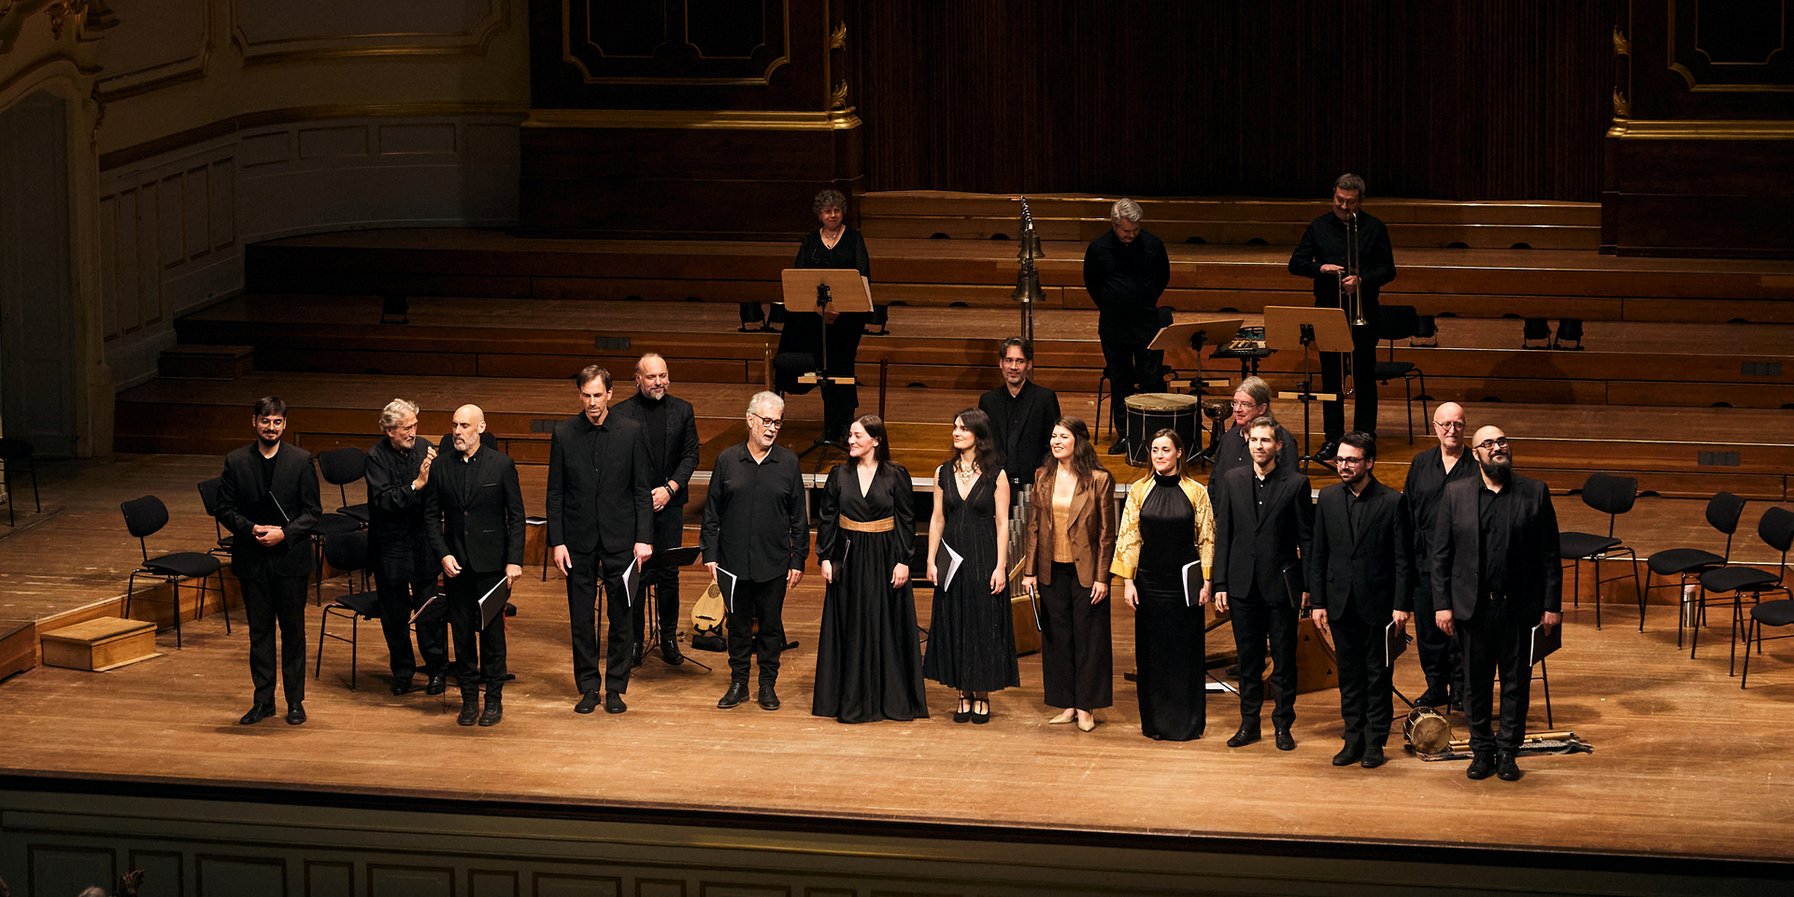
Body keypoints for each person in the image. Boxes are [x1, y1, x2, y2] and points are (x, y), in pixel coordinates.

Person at [1432, 426, 1562, 782]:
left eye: (1501, 441)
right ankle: (1482, 750)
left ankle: (1508, 751)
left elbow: (1550, 554)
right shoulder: (1456, 493)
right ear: (1475, 454)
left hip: (1519, 607)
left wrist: (1552, 605)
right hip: (1472, 608)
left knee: (1515, 683)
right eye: (1487, 444)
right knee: (1474, 684)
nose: (1496, 448)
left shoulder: (1534, 492)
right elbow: (1441, 555)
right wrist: (1442, 604)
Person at [547, 365, 654, 716]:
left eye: (598, 395)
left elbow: (640, 490)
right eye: (586, 395)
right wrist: (557, 541)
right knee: (581, 617)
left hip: (621, 539)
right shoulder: (564, 433)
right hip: (577, 541)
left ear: (610, 394)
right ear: (580, 395)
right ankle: (589, 686)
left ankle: (617, 687)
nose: (592, 402)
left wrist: (643, 538)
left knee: (622, 616)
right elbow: (555, 494)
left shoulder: (631, 432)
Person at [812, 414, 929, 723]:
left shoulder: (895, 475)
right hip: (848, 558)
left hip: (884, 556)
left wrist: (904, 559)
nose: (851, 440)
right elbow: (827, 517)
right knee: (850, 623)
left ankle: (887, 696)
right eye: (850, 435)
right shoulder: (839, 475)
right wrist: (825, 556)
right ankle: (850, 698)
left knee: (885, 623)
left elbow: (906, 519)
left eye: (858, 435)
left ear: (876, 440)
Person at [215, 396, 321, 726]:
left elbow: (313, 513)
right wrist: (251, 529)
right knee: (259, 635)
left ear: (284, 424)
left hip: (289, 560)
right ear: (254, 422)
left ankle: (294, 702)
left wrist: (285, 534)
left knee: (293, 633)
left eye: (277, 422)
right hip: (253, 560)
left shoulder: (301, 460)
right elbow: (224, 508)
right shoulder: (236, 461)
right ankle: (263, 701)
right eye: (265, 421)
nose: (271, 427)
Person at [701, 391, 810, 711]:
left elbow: (798, 518)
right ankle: (738, 683)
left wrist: (798, 557)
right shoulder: (727, 460)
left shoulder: (788, 463)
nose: (772, 428)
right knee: (736, 625)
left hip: (774, 562)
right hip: (732, 563)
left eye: (778, 422)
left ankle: (767, 685)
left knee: (771, 625)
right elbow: (712, 513)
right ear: (750, 420)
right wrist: (709, 553)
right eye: (766, 420)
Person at [1309, 432, 1413, 768]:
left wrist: (1401, 604)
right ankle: (1352, 737)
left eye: (1351, 460)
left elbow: (1402, 559)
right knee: (1349, 675)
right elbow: (1319, 553)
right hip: (1340, 602)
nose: (1343, 466)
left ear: (1369, 462)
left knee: (1378, 675)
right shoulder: (1327, 498)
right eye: (1340, 459)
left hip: (1379, 604)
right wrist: (1318, 602)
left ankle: (1375, 742)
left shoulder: (1392, 501)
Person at [1212, 416, 1313, 751]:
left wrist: (1307, 587)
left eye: (1266, 440)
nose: (1259, 446)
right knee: (1249, 660)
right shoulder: (1232, 479)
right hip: (1242, 585)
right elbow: (1224, 534)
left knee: (1283, 661)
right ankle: (1249, 724)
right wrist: (1220, 583)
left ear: (1278, 446)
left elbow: (1306, 539)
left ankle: (1283, 726)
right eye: (1254, 440)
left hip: (1280, 587)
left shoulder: (1296, 483)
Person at [423, 405, 524, 727]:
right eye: (454, 425)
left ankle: (493, 700)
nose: (457, 431)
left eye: (464, 425)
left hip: (492, 567)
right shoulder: (440, 467)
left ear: (480, 428)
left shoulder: (502, 465)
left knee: (492, 637)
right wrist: (442, 554)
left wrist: (513, 561)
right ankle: (468, 700)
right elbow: (430, 516)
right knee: (463, 636)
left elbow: (517, 517)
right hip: (457, 566)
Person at [1112, 429, 1216, 741]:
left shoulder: (1197, 491)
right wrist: (1128, 582)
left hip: (1184, 585)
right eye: (1155, 450)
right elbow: (1129, 537)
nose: (1159, 455)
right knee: (1153, 652)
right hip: (1149, 583)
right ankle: (1155, 722)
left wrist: (1207, 582)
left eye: (1165, 450)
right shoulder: (1138, 491)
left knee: (1185, 651)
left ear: (1179, 453)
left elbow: (1207, 539)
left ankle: (1187, 722)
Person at [1288, 173, 1397, 460]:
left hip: (1364, 313)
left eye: (1350, 202)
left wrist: (1361, 280)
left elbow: (1389, 269)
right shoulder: (1319, 226)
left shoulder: (1374, 228)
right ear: (1333, 195)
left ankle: (1364, 437)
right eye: (1339, 200)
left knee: (1363, 377)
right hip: (1329, 311)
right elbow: (1295, 263)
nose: (1344, 207)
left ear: (1360, 201)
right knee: (1331, 380)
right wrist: (1320, 268)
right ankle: (1333, 438)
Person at [1018, 417, 1117, 732]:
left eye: (1062, 436)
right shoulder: (1043, 475)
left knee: (1089, 638)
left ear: (1078, 441)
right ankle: (1068, 703)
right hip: (1051, 570)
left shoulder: (1099, 479)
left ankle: (1087, 706)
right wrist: (1029, 571)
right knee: (1057, 638)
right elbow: (1034, 527)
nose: (1055, 441)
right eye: (1053, 435)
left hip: (1086, 572)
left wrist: (1103, 577)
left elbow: (1106, 534)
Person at [922, 408, 1017, 724]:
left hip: (983, 554)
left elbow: (1003, 522)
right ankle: (962, 691)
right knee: (955, 620)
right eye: (954, 427)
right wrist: (931, 559)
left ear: (979, 434)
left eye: (963, 428)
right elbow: (937, 518)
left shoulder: (996, 474)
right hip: (951, 555)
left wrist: (1000, 565)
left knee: (981, 622)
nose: (956, 432)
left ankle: (982, 693)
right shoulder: (942, 472)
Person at [610, 352, 700, 667]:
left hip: (671, 503)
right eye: (651, 377)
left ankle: (668, 638)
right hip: (636, 507)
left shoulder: (683, 410)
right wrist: (642, 496)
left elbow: (691, 456)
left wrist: (669, 489)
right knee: (637, 571)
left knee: (668, 573)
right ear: (638, 379)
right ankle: (635, 641)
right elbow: (618, 462)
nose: (658, 382)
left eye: (662, 375)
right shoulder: (620, 414)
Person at [363, 398, 450, 696]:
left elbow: (436, 492)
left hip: (422, 543)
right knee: (394, 614)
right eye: (406, 428)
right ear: (389, 430)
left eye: (414, 425)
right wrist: (417, 484)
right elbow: (384, 502)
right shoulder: (375, 457)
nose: (413, 432)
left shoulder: (425, 447)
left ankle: (437, 669)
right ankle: (402, 671)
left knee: (429, 611)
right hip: (390, 547)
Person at [776, 188, 873, 443]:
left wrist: (839, 308)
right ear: (819, 214)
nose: (832, 215)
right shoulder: (810, 242)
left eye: (837, 210)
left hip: (847, 320)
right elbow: (799, 280)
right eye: (827, 211)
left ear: (843, 212)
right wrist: (821, 311)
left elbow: (862, 277)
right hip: (817, 320)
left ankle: (845, 423)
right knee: (824, 368)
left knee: (843, 367)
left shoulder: (854, 239)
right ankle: (830, 426)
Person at [1084, 198, 1171, 454]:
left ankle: (1154, 435)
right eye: (1126, 231)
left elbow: (1162, 277)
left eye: (1135, 230)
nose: (1131, 235)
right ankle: (1126, 435)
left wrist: (1142, 299)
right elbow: (1092, 282)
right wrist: (1113, 302)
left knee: (1150, 380)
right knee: (1120, 381)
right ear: (1114, 225)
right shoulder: (1098, 248)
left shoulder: (1153, 245)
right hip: (1113, 326)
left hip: (1146, 324)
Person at [1402, 401, 1474, 709]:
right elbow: (1408, 512)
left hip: (1462, 566)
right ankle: (1436, 685)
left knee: (1459, 632)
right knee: (1429, 632)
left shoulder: (1475, 464)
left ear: (1464, 427)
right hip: (1425, 563)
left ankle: (1461, 687)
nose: (1451, 430)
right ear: (1435, 428)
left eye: (1457, 424)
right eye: (1445, 424)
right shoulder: (1421, 463)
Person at [978, 337, 1060, 494]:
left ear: (1029, 364)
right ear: (1001, 363)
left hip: (1034, 487)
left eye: (1020, 361)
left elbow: (1052, 444)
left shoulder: (1045, 398)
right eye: (1009, 360)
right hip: (995, 486)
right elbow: (984, 445)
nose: (1013, 367)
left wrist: (1043, 478)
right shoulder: (988, 401)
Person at [1207, 376, 1299, 491]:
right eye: (1235, 403)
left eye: (1245, 404)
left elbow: (1290, 488)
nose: (1237, 409)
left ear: (1261, 409)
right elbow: (1215, 482)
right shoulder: (1228, 438)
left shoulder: (1282, 440)